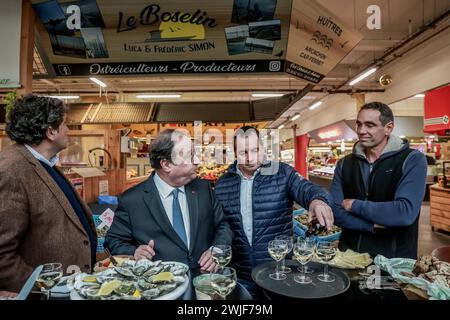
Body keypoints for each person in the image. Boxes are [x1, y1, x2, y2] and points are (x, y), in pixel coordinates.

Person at [214, 126, 334, 295]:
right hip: (241, 275)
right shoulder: (222, 185)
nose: (250, 158)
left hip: (279, 271)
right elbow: (221, 225)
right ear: (235, 153)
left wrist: (318, 200)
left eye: (255, 150)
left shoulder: (283, 173)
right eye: (243, 152)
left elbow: (306, 189)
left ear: (263, 148)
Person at [0, 94, 97, 292]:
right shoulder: (11, 171)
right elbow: (2, 253)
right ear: (51, 131)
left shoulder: (43, 163)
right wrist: (42, 289)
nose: (69, 130)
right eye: (64, 124)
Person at [105, 129, 233, 273]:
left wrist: (216, 250)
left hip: (203, 282)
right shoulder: (132, 200)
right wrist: (134, 252)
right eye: (189, 156)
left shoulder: (204, 189)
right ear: (166, 165)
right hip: (161, 288)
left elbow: (223, 225)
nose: (197, 160)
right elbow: (113, 241)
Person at [330, 102, 427, 259]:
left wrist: (354, 205)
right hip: (349, 256)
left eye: (370, 125)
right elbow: (334, 210)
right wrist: (369, 225)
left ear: (389, 128)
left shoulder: (412, 160)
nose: (362, 131)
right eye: (359, 125)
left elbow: (404, 212)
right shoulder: (345, 163)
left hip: (394, 261)